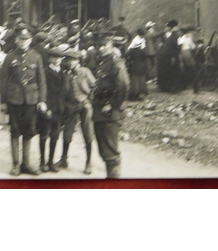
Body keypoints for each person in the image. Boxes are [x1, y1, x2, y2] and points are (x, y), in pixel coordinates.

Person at [0, 27, 47, 176]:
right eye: (21, 39)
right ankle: (15, 164)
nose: (23, 42)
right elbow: (4, 81)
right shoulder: (9, 57)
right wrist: (3, 101)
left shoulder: (36, 56)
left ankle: (26, 163)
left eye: (26, 39)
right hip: (14, 99)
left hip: (31, 100)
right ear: (16, 40)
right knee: (15, 131)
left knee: (29, 131)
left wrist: (42, 100)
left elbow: (42, 80)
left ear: (30, 40)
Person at [91, 32, 129, 178]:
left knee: (110, 151)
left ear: (111, 45)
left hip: (109, 112)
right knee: (104, 149)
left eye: (104, 45)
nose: (101, 48)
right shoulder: (102, 61)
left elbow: (124, 86)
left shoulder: (115, 62)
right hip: (99, 110)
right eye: (99, 45)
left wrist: (112, 105)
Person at [55, 49, 96, 175]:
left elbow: (95, 86)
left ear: (78, 61)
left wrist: (90, 101)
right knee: (67, 134)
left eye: (73, 60)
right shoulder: (65, 73)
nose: (71, 62)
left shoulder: (84, 71)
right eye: (68, 59)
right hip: (70, 106)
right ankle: (63, 159)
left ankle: (88, 162)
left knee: (87, 133)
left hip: (84, 105)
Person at [38, 47, 66, 173]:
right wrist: (46, 108)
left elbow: (65, 91)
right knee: (44, 135)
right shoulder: (45, 72)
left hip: (59, 110)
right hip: (48, 108)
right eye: (54, 57)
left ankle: (51, 161)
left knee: (55, 135)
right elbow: (44, 91)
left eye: (59, 57)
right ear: (50, 58)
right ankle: (42, 161)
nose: (56, 60)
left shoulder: (64, 72)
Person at [156, 19, 181, 92]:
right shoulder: (175, 34)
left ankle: (165, 87)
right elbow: (176, 46)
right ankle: (172, 87)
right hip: (170, 55)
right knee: (172, 71)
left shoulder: (169, 35)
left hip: (164, 54)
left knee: (165, 71)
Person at [125, 29, 148, 100]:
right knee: (141, 80)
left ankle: (133, 94)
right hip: (141, 66)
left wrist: (129, 61)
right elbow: (145, 57)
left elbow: (126, 55)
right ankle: (141, 93)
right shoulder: (142, 51)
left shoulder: (132, 51)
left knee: (134, 80)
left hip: (134, 65)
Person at [178, 26, 199, 93]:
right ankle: (196, 88)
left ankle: (183, 86)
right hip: (187, 53)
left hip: (182, 53)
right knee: (193, 69)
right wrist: (198, 46)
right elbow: (193, 47)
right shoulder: (188, 38)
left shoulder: (181, 38)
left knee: (185, 70)